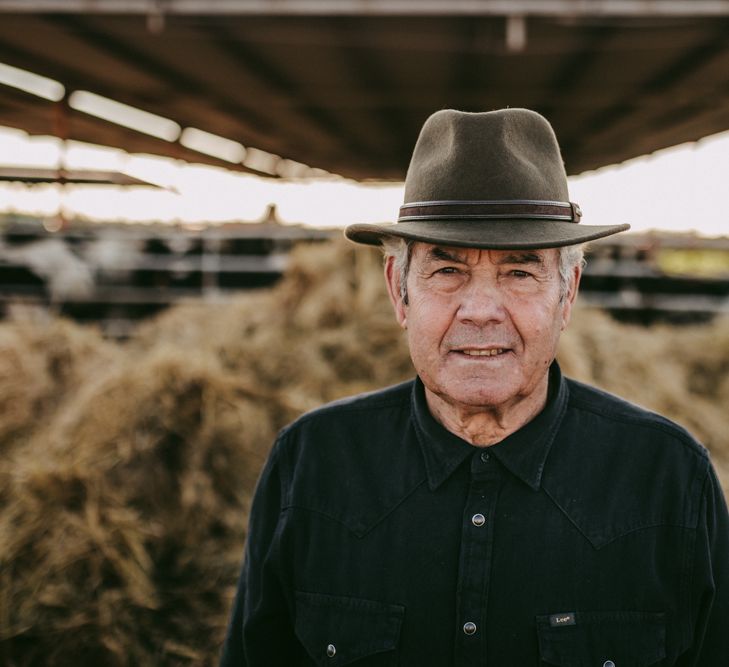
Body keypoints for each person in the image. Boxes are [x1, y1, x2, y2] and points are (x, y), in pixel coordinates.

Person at [219, 109, 729, 665]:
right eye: (447, 271)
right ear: (399, 291)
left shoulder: (668, 478)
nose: (481, 311)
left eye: (519, 271)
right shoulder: (311, 464)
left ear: (567, 293)